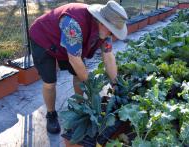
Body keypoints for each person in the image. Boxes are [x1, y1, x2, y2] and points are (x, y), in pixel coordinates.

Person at [29, 0, 128, 134]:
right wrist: (90, 86)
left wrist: (115, 83)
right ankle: (51, 114)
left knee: (78, 75)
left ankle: (79, 106)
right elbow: (74, 59)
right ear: (101, 22)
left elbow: (108, 56)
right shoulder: (74, 25)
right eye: (111, 30)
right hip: (44, 38)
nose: (113, 34)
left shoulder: (106, 32)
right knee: (50, 82)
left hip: (69, 44)